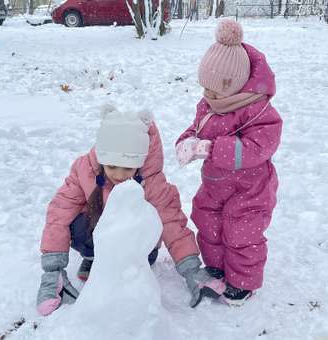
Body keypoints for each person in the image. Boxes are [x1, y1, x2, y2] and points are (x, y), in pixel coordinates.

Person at [36, 105, 222, 316]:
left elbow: (172, 224)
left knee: (157, 223)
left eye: (128, 167)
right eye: (112, 166)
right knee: (73, 219)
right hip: (95, 241)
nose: (119, 174)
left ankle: (124, 270)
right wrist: (52, 271)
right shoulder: (84, 172)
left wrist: (192, 270)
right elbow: (59, 213)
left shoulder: (153, 184)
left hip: (139, 252)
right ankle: (95, 260)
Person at [175, 19, 283, 306]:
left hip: (250, 189)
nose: (207, 96)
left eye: (214, 91)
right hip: (215, 184)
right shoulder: (210, 105)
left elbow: (258, 147)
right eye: (204, 89)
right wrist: (186, 142)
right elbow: (196, 129)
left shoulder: (258, 111)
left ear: (234, 87)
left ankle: (242, 282)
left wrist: (212, 149)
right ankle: (217, 266)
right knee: (207, 220)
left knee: (241, 232)